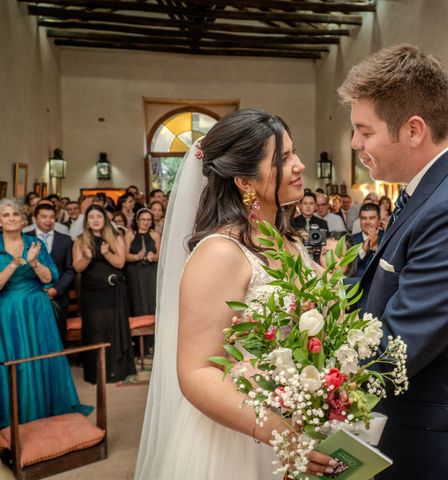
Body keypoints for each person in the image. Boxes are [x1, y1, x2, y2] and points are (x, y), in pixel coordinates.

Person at [338, 44, 448, 479]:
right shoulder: (428, 188)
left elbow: (395, 349)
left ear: (414, 129)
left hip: (445, 454)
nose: (355, 143)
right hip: (415, 436)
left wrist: (303, 378)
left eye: (365, 130)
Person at [135, 109, 335, 479]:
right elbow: (196, 371)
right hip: (239, 439)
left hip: (298, 418)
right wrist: (278, 433)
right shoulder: (220, 253)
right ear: (244, 180)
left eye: (294, 153)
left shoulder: (290, 242)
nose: (300, 165)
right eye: (284, 158)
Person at [0, 199, 90, 427]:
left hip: (37, 309)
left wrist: (33, 263)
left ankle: (47, 405)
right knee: (14, 358)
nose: (11, 218)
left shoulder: (34, 243)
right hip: (8, 311)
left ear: (23, 219)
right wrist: (14, 264)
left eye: (15, 215)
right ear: (0, 221)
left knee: (43, 355)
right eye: (6, 215)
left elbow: (50, 278)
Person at [72, 204, 136, 384]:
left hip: (113, 292)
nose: (95, 220)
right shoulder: (80, 240)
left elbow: (120, 263)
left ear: (104, 219)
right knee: (94, 330)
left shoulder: (115, 238)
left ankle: (117, 371)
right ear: (87, 221)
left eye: (98, 217)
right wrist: (87, 257)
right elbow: (77, 267)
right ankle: (96, 373)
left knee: (113, 328)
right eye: (91, 217)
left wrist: (106, 254)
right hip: (91, 294)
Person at [26, 203, 76, 340]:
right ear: (35, 219)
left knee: (58, 337)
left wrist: (56, 289)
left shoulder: (65, 240)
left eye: (52, 217)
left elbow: (70, 270)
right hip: (31, 295)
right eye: (44, 217)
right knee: (33, 337)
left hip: (58, 297)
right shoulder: (25, 238)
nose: (48, 220)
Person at [124, 208, 160, 355]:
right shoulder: (130, 235)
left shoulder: (155, 235)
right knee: (137, 303)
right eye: (143, 220)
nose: (145, 222)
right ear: (137, 221)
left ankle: (152, 344)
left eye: (148, 220)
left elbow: (161, 255)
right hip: (134, 272)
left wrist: (154, 257)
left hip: (150, 272)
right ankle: (139, 347)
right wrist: (136, 257)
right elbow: (124, 256)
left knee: (151, 303)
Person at [351, 203, 384, 278]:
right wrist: (363, 251)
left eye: (372, 218)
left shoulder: (387, 238)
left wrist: (375, 248)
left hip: (379, 283)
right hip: (356, 284)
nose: (367, 222)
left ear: (379, 221)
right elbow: (348, 267)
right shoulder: (351, 239)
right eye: (363, 218)